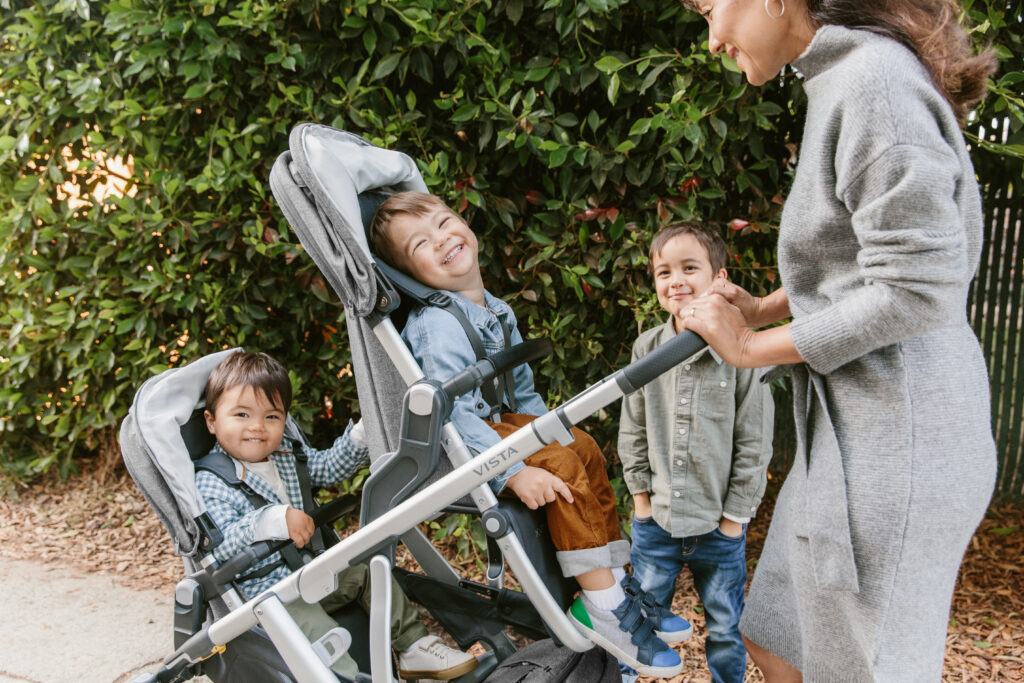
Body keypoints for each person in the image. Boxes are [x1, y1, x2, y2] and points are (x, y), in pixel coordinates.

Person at [674, 1, 999, 680]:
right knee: (775, 639)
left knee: (862, 669)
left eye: (711, 9)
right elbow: (862, 255)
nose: (712, 40)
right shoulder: (841, 77)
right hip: (851, 437)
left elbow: (918, 284)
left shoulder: (875, 81)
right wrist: (763, 308)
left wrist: (748, 348)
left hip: (901, 441)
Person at [369, 190, 687, 679]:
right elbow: (451, 415)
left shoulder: (494, 309)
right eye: (420, 245)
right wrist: (512, 470)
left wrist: (549, 434)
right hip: (467, 442)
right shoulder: (436, 325)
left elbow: (522, 396)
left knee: (579, 448)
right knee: (559, 465)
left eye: (444, 222)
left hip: (499, 424)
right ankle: (600, 607)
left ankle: (618, 590)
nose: (442, 240)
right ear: (411, 276)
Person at [196, 350, 479, 681]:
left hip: (308, 571)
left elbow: (328, 467)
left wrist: (362, 434)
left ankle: (414, 647)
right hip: (269, 597)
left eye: (271, 417)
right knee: (319, 632)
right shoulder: (211, 482)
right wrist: (272, 519)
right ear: (212, 421)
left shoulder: (285, 455)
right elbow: (220, 548)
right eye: (242, 414)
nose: (257, 427)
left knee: (368, 571)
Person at [618, 222, 774, 683]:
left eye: (690, 267)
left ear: (719, 279)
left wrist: (734, 520)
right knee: (639, 621)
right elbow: (634, 429)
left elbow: (754, 441)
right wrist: (641, 505)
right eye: (664, 272)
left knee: (727, 627)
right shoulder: (646, 348)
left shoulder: (745, 350)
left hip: (719, 526)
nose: (676, 280)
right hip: (657, 522)